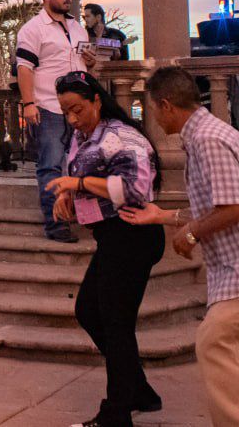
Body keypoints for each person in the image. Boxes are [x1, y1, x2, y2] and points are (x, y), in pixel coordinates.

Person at [121, 68, 239, 427]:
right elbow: (219, 206)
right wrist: (166, 217)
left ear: (165, 105)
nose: (154, 118)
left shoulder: (208, 140)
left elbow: (234, 208)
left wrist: (190, 234)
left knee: (213, 344)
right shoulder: (210, 134)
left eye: (153, 109)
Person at [47, 71, 162, 427]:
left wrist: (78, 183)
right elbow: (81, 172)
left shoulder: (121, 137)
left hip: (132, 235)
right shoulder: (85, 135)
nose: (72, 119)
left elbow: (136, 188)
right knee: (90, 311)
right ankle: (138, 390)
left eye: (77, 109)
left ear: (97, 99)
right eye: (66, 111)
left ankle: (117, 412)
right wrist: (68, 193)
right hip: (112, 236)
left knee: (115, 322)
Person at [15, 0, 98, 242]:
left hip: (80, 108)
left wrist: (90, 60)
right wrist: (29, 104)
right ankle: (56, 224)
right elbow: (24, 69)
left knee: (84, 163)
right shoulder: (32, 29)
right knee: (50, 165)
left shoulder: (77, 26)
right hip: (49, 106)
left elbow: (86, 64)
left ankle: (87, 217)